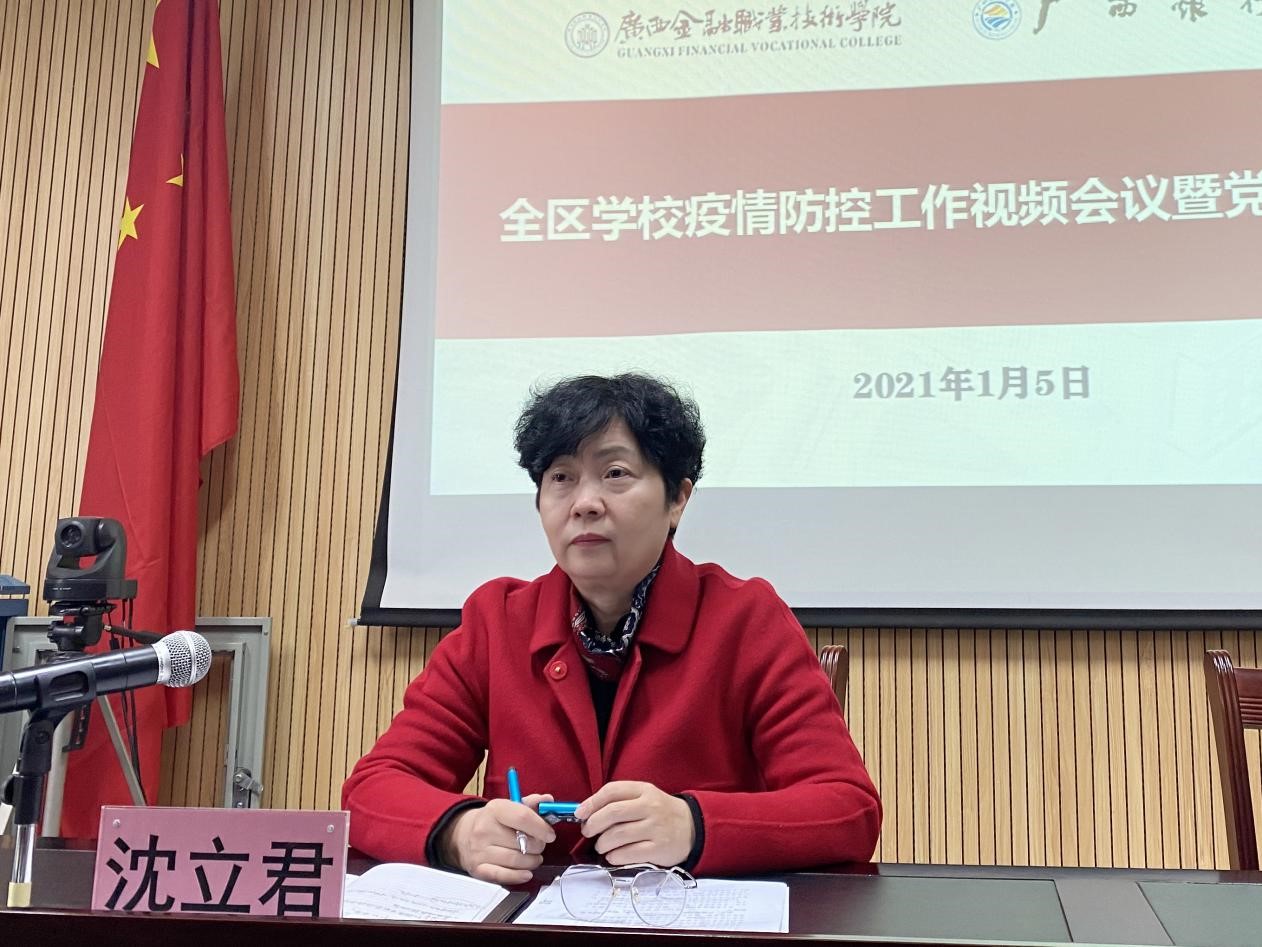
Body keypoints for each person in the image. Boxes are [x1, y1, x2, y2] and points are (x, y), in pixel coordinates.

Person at [342, 373, 881, 883]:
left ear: (678, 499)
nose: (585, 503)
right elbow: (372, 790)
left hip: (688, 926)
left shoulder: (745, 619)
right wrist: (459, 832)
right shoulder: (497, 621)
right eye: (561, 478)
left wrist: (693, 826)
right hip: (536, 928)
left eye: (616, 473)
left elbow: (847, 808)